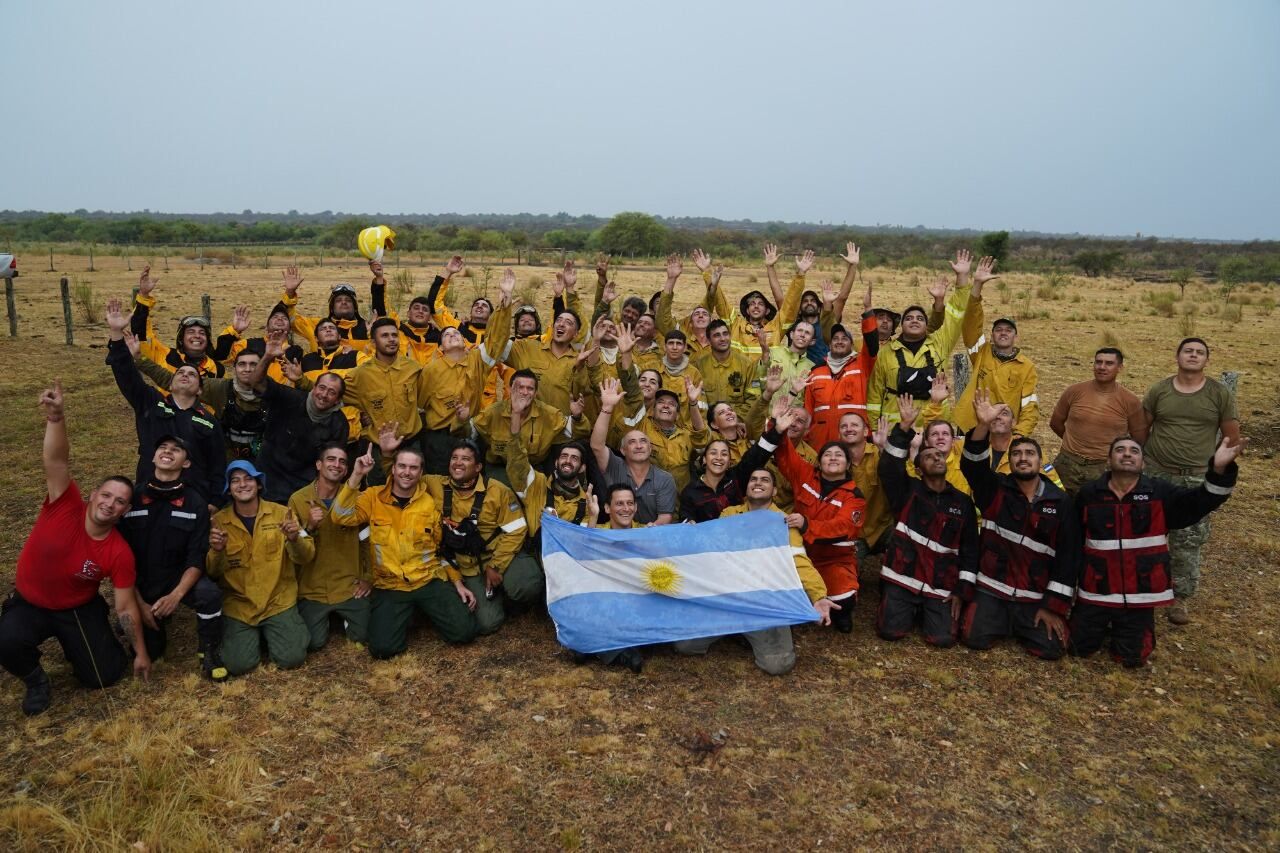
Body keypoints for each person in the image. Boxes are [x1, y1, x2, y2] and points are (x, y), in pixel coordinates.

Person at [0, 383, 149, 715]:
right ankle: (36, 679)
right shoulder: (63, 503)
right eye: (107, 495)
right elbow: (56, 459)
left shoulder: (118, 551)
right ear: (94, 494)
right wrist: (56, 417)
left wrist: (140, 652)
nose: (111, 504)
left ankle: (80, 644)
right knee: (6, 641)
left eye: (120, 502)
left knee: (105, 675)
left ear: (125, 511)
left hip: (77, 610)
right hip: (29, 603)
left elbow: (124, 607)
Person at [1070, 434, 1242, 667]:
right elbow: (1073, 542)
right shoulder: (1089, 494)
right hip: (1096, 592)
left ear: (1143, 464)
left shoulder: (1160, 493)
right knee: (1077, 649)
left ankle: (1122, 629)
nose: (1127, 454)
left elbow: (1202, 501)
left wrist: (1219, 470)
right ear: (1108, 461)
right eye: (1120, 450)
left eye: (1134, 451)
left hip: (1140, 596)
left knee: (1131, 659)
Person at [674, 467, 839, 675]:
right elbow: (712, 552)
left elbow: (799, 561)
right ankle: (735, 631)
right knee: (685, 646)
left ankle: (749, 631)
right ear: (747, 488)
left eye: (765, 480)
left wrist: (818, 595)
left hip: (765, 602)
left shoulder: (785, 523)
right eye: (753, 479)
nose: (758, 483)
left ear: (774, 491)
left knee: (778, 665)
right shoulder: (729, 514)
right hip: (729, 596)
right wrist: (691, 534)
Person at [958, 392, 1080, 659]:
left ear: (1040, 461)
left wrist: (1052, 606)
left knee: (1052, 650)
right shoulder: (995, 490)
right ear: (1010, 461)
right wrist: (982, 425)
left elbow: (1068, 558)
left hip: (1033, 595)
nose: (1023, 458)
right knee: (972, 638)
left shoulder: (1060, 502)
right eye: (1016, 454)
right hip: (993, 589)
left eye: (1029, 453)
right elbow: (972, 465)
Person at [330, 446, 477, 657]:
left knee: (465, 633)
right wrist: (356, 475)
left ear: (420, 472)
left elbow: (439, 550)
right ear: (393, 469)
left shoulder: (429, 504)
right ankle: (405, 615)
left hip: (426, 580)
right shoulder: (373, 497)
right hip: (391, 585)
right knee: (382, 650)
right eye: (402, 466)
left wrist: (457, 582)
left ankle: (421, 610)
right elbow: (340, 517)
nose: (407, 472)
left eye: (413, 468)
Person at [1141, 337, 1241, 625]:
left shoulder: (1219, 394)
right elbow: (1142, 427)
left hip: (1196, 475)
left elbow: (1231, 437)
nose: (1193, 356)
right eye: (1188, 351)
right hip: (1157, 473)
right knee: (1148, 533)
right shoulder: (1160, 390)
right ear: (1177, 356)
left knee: (1187, 540)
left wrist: (1216, 469)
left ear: (1206, 360)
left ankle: (1179, 598)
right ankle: (1144, 587)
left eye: (1199, 353)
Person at [117, 435, 226, 681]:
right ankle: (146, 622)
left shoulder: (195, 502)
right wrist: (139, 604)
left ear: (186, 463)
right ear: (153, 457)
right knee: (153, 652)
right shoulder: (131, 498)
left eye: (177, 449)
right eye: (162, 447)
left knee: (209, 594)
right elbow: (119, 560)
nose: (168, 451)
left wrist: (176, 596)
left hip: (178, 580)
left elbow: (196, 557)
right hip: (141, 584)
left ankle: (209, 650)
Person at [405, 438, 538, 636]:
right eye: (454, 458)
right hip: (466, 565)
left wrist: (496, 566)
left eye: (465, 459)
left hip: (497, 555)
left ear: (478, 467)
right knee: (488, 623)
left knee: (527, 585)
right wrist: (389, 454)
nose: (458, 462)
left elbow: (517, 530)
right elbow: (404, 478)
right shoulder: (433, 485)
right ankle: (494, 597)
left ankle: (509, 592)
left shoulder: (498, 491)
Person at [876, 395, 979, 647]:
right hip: (903, 577)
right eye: (928, 455)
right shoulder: (907, 491)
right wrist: (903, 428)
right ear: (918, 468)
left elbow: (970, 550)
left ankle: (929, 611)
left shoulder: (962, 502)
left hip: (939, 583)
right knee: (889, 632)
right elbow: (889, 466)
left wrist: (962, 591)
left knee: (942, 640)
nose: (936, 457)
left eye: (939, 456)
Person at [106, 298, 226, 506]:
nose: (185, 375)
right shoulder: (151, 403)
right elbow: (126, 375)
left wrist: (214, 504)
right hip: (148, 494)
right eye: (180, 372)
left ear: (199, 389)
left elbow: (217, 467)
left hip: (192, 501)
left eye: (192, 374)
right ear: (170, 384)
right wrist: (117, 336)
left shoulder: (209, 422)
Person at [772, 400, 868, 633]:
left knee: (842, 603)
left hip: (834, 558)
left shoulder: (854, 497)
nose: (833, 458)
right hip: (799, 554)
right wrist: (777, 426)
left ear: (847, 464)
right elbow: (785, 454)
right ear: (819, 461)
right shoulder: (806, 475)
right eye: (828, 455)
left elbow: (842, 526)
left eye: (839, 455)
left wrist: (807, 525)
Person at [206, 461, 310, 675]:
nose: (242, 484)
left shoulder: (283, 514)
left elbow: (307, 555)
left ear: (259, 484)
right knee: (238, 665)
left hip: (278, 601)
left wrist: (294, 538)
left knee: (292, 658)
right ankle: (254, 638)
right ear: (229, 489)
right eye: (235, 480)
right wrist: (217, 550)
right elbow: (212, 573)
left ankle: (273, 634)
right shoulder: (219, 522)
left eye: (248, 478)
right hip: (240, 605)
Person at [867, 250, 974, 427]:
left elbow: (956, 315)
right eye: (908, 318)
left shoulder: (940, 342)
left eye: (920, 318)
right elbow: (874, 394)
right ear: (901, 326)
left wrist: (962, 278)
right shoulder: (887, 352)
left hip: (935, 427)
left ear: (927, 325)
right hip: (896, 429)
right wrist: (872, 431)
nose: (914, 320)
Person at [287, 443, 372, 651]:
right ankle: (325, 619)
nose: (337, 465)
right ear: (319, 464)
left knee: (362, 637)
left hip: (348, 586)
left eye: (342, 461)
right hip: (313, 588)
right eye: (331, 459)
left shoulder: (357, 497)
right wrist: (309, 527)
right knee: (313, 643)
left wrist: (368, 578)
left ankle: (345, 618)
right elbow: (296, 555)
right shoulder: (298, 499)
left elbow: (368, 542)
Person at [248, 334, 351, 502]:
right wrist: (267, 357)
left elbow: (332, 463)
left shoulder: (338, 424)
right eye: (322, 388)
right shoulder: (289, 397)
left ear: (338, 400)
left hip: (302, 493)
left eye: (331, 392)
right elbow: (256, 383)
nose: (324, 395)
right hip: (267, 482)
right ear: (313, 387)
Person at [953, 258, 1040, 436]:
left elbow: (1029, 405)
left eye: (1008, 330)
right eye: (998, 330)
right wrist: (977, 284)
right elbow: (971, 322)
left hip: (1003, 430)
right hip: (973, 425)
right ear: (992, 335)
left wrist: (1020, 434)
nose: (1003, 333)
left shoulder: (1026, 367)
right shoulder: (981, 352)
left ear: (1016, 336)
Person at [137, 346, 268, 462]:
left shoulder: (277, 394)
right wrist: (139, 358)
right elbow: (172, 380)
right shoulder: (220, 389)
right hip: (226, 463)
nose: (247, 369)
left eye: (253, 364)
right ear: (235, 368)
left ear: (263, 367)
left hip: (264, 462)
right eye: (242, 364)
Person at [1049, 347, 1147, 496]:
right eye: (1098, 362)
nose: (1102, 367)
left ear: (1120, 367)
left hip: (1104, 468)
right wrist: (1075, 444)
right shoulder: (1074, 391)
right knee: (1059, 507)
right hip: (1067, 464)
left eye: (1109, 363)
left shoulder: (1130, 401)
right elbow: (1055, 423)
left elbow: (1139, 438)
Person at [342, 316, 429, 482]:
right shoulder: (360, 375)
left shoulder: (413, 368)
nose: (391, 340)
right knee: (378, 496)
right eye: (384, 336)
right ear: (373, 343)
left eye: (394, 335)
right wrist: (360, 414)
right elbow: (332, 392)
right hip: (378, 450)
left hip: (411, 445)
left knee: (414, 494)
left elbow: (427, 397)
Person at [592, 379, 678, 525]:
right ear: (622, 450)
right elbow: (597, 445)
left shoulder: (665, 479)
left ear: (650, 449)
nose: (639, 446)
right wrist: (607, 407)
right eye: (632, 442)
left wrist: (646, 533)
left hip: (650, 539)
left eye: (643, 441)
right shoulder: (615, 466)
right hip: (617, 537)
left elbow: (665, 518)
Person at [679, 413, 790, 522]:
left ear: (729, 462)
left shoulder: (736, 479)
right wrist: (688, 523)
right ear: (704, 459)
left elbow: (757, 454)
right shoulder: (690, 492)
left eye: (724, 454)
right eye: (713, 453)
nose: (719, 458)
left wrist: (777, 430)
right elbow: (684, 522)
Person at [129, 265, 224, 377]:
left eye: (202, 333)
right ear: (181, 339)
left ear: (208, 340)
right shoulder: (165, 356)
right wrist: (144, 296)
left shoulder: (217, 370)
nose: (197, 336)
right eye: (191, 332)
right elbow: (141, 335)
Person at [803, 315, 880, 449]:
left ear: (852, 344)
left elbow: (872, 343)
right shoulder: (815, 372)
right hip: (819, 443)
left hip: (854, 442)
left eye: (844, 338)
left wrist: (868, 313)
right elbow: (808, 411)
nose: (839, 342)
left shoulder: (862, 365)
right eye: (835, 339)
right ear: (829, 344)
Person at [275, 265, 372, 348]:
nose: (343, 302)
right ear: (331, 308)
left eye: (348, 300)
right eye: (338, 300)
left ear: (355, 307)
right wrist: (290, 293)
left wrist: (379, 279)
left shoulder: (368, 328)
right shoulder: (318, 326)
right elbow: (288, 318)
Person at [694, 319, 766, 420]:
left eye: (725, 334)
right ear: (709, 341)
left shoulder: (746, 364)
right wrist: (710, 424)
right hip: (709, 427)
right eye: (717, 335)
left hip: (738, 424)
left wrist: (735, 421)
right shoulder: (699, 366)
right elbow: (699, 402)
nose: (723, 338)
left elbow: (753, 399)